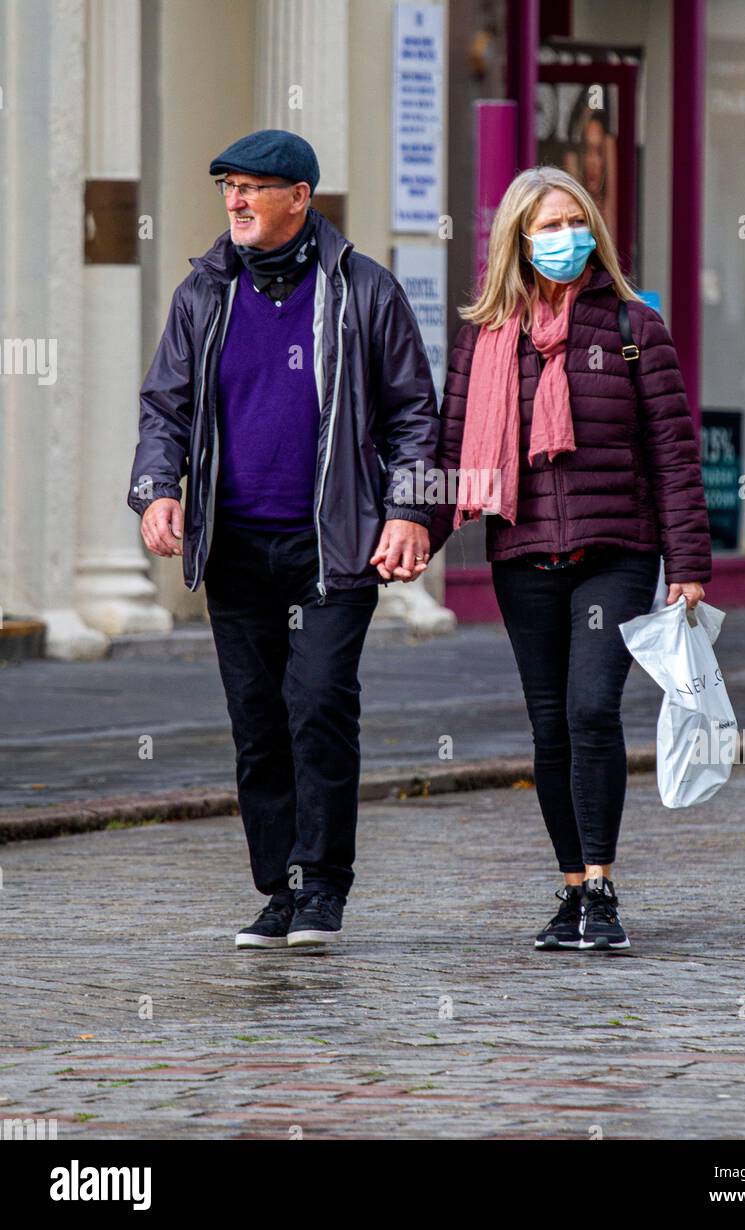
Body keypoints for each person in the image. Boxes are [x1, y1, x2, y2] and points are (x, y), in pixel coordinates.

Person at [128, 129, 437, 950]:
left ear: (300, 198)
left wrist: (410, 512)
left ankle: (323, 888)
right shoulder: (203, 293)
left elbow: (415, 416)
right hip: (234, 547)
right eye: (228, 186)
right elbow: (165, 407)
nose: (235, 201)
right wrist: (158, 490)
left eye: (253, 187)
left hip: (332, 545)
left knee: (320, 707)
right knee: (259, 722)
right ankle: (281, 888)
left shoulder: (364, 290)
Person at [427, 165, 711, 952]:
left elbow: (674, 456)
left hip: (616, 550)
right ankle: (570, 888)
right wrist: (409, 532)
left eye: (574, 223)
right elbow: (453, 454)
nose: (564, 239)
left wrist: (688, 563)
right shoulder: (485, 341)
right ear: (518, 238)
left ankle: (603, 885)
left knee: (591, 709)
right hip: (522, 554)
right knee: (549, 726)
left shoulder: (632, 328)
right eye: (547, 227)